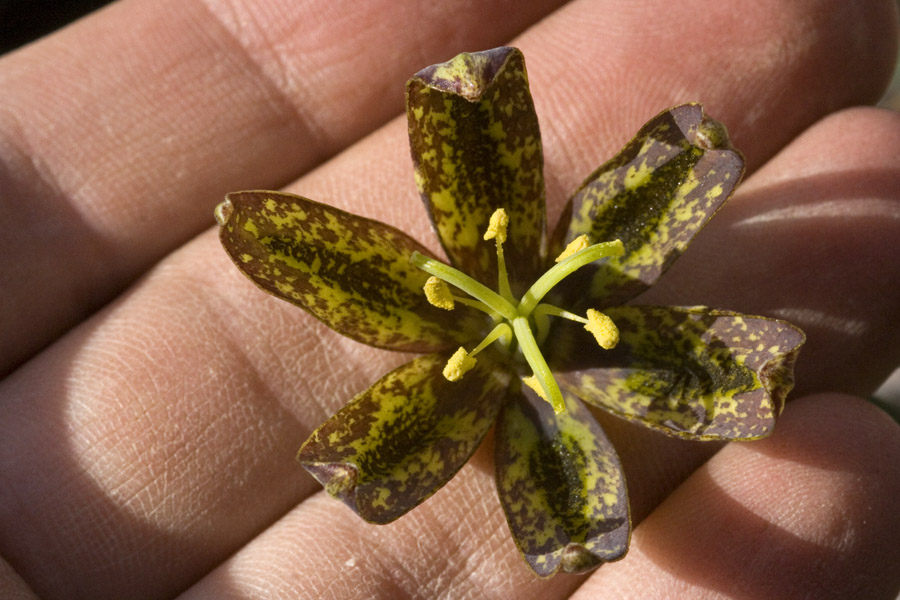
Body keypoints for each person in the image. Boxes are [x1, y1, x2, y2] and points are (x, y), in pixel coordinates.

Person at [1, 1, 899, 598]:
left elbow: (689, 178)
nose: (515, 324)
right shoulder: (404, 423)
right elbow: (366, 460)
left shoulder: (690, 311)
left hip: (565, 378)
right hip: (501, 394)